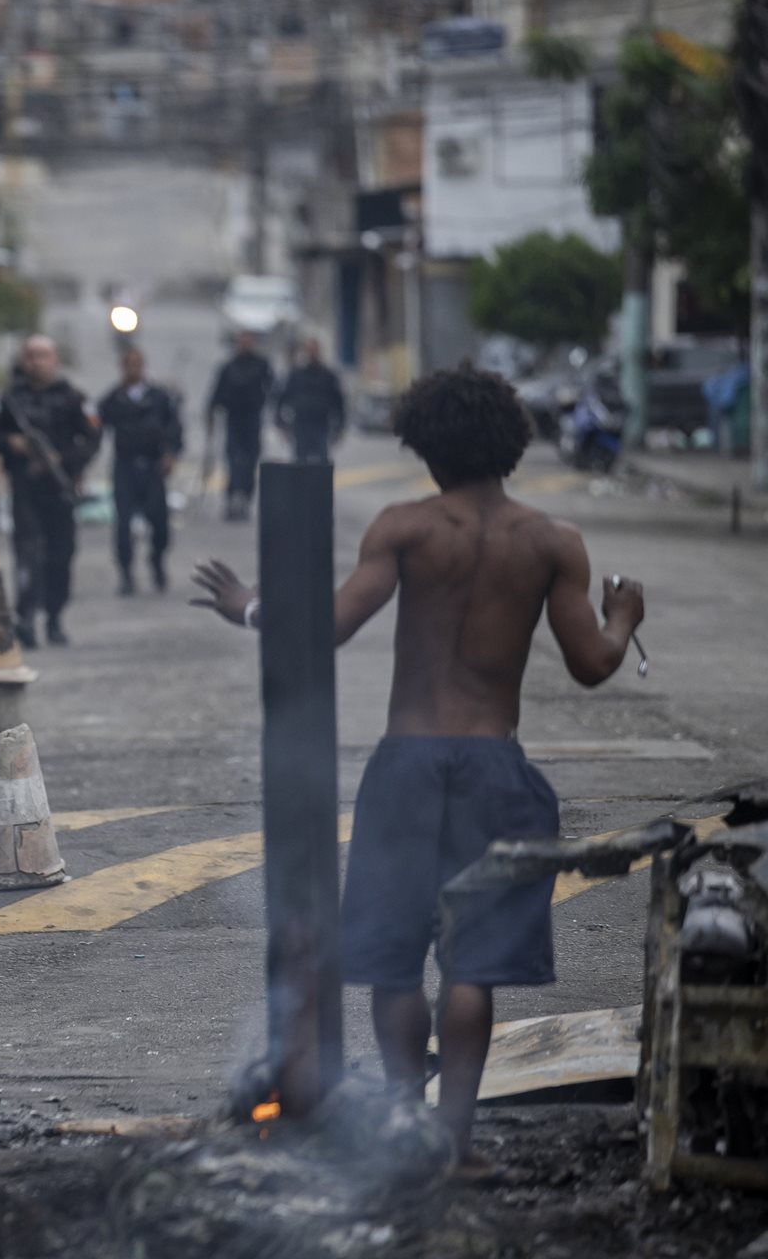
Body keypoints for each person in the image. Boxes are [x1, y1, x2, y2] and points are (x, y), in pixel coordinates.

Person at [191, 367, 646, 1176]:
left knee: (397, 960)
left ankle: (404, 1125)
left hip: (406, 768)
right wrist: (622, 616)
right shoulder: (552, 543)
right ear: (513, 444)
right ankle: (456, 1143)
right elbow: (591, 664)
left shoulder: (404, 529)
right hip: (496, 771)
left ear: (425, 448)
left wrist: (250, 609)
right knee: (472, 966)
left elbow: (324, 629)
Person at [0, 334, 98, 648]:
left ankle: (55, 618)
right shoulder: (11, 400)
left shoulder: (72, 397)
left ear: (55, 360)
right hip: (25, 490)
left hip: (60, 489)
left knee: (60, 556)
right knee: (27, 556)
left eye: (43, 355)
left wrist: (64, 460)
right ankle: (25, 618)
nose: (37, 362)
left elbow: (92, 439)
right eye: (31, 356)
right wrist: (13, 443)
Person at [96, 346, 183, 595]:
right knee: (123, 525)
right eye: (128, 364)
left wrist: (170, 454)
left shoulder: (159, 397)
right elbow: (96, 427)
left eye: (137, 364)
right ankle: (125, 573)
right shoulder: (114, 399)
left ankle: (157, 562)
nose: (133, 369)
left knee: (159, 523)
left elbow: (174, 427)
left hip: (153, 466)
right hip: (125, 466)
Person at [208, 330, 274, 520]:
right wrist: (211, 413)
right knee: (233, 459)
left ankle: (245, 497)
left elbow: (272, 389)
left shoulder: (261, 365)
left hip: (252, 418)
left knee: (250, 460)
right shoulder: (229, 367)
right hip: (233, 419)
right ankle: (232, 497)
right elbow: (217, 393)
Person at [275, 336, 347, 463]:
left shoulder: (328, 375)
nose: (312, 353)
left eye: (314, 350)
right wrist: (281, 424)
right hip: (301, 424)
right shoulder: (296, 375)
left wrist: (340, 427)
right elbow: (282, 398)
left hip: (321, 425)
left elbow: (338, 402)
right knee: (300, 463)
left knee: (321, 464)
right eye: (309, 350)